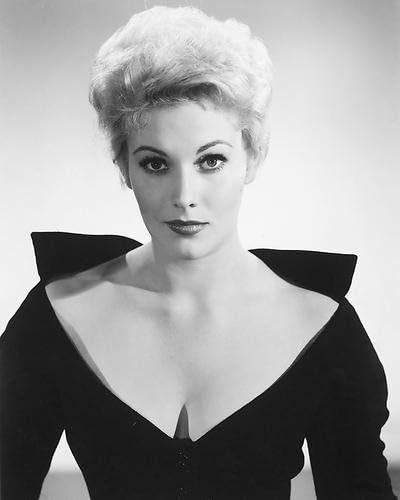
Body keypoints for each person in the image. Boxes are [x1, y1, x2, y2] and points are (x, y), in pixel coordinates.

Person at [0, 5, 397, 500]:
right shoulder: (56, 313)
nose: (184, 195)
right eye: (155, 164)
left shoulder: (322, 323)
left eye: (211, 160)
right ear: (124, 168)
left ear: (252, 158)